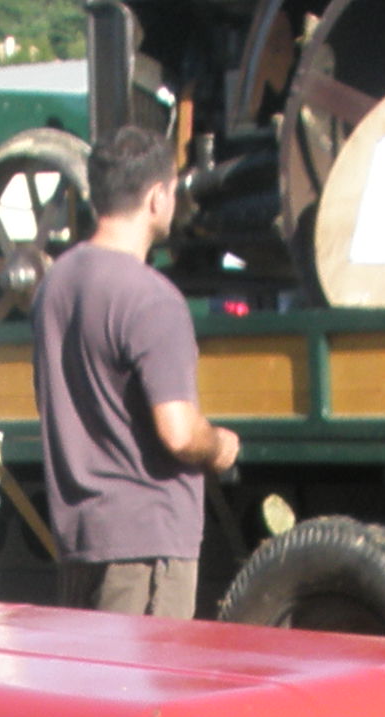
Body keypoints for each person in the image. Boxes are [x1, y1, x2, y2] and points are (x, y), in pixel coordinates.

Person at [29, 124, 237, 618]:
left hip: (80, 538)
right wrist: (222, 446)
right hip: (145, 547)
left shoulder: (55, 285)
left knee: (96, 695)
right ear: (155, 198)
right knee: (148, 692)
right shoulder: (152, 299)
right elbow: (180, 432)